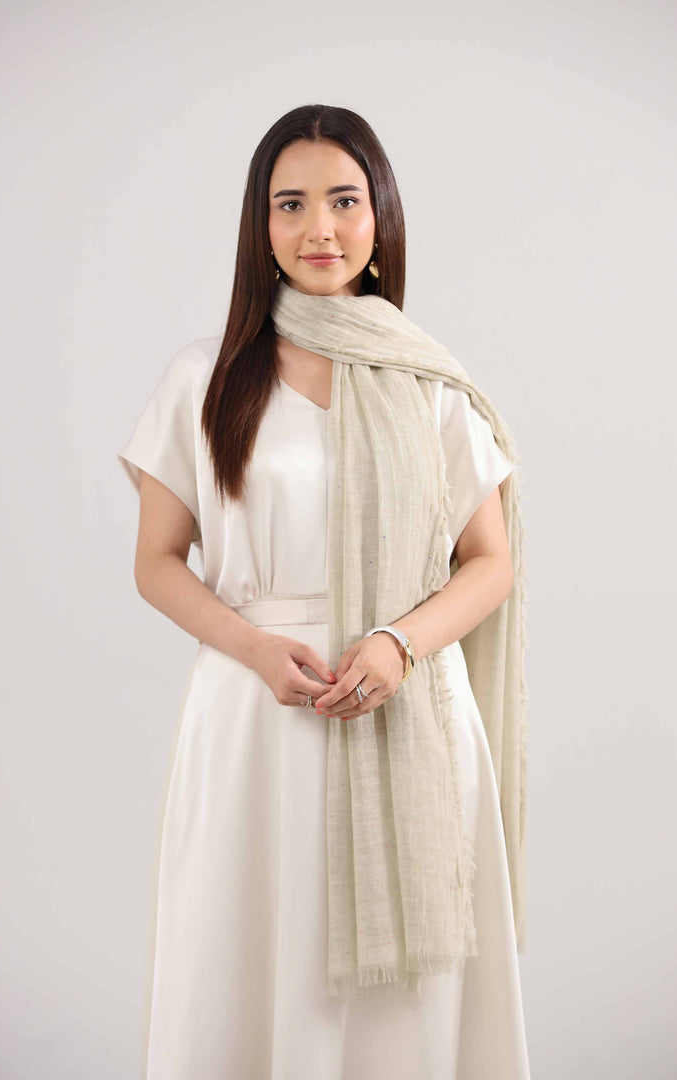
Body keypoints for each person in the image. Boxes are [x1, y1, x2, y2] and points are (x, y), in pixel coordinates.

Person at [118, 104, 532, 1079]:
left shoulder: (428, 384)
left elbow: (490, 560)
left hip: (406, 705)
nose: (320, 229)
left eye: (345, 201)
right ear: (259, 227)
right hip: (256, 713)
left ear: (380, 218)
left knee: (407, 1013)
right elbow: (157, 561)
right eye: (291, 204)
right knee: (246, 966)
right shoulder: (207, 377)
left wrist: (399, 645)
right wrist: (255, 648)